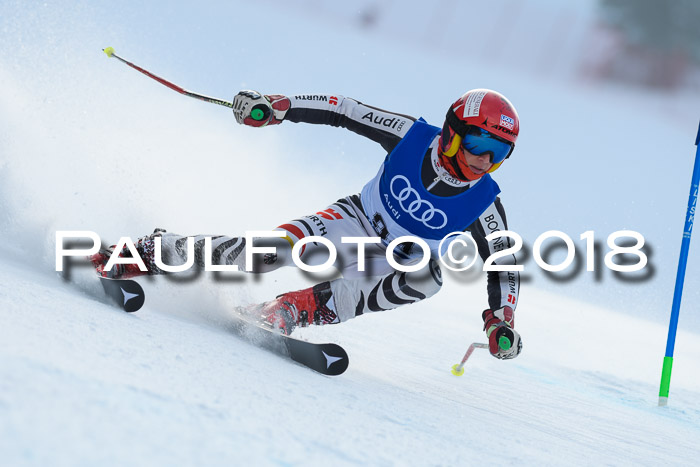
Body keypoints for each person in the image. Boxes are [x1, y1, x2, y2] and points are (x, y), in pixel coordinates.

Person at [90, 89, 523, 360]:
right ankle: (152, 252)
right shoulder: (412, 135)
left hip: (387, 261)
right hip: (352, 222)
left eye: (498, 153)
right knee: (266, 253)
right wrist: (278, 107)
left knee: (427, 279)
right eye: (478, 143)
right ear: (452, 131)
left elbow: (504, 264)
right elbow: (345, 110)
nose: (483, 161)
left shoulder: (484, 203)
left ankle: (295, 308)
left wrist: (501, 319)